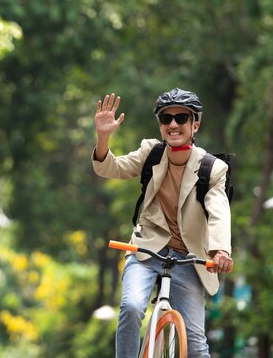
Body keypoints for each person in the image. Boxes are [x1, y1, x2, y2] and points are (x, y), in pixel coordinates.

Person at [92, 88, 234, 358]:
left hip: (189, 258)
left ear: (195, 124)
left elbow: (219, 210)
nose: (173, 124)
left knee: (196, 346)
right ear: (160, 124)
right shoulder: (151, 153)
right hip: (145, 251)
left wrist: (221, 250)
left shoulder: (212, 168)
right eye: (165, 118)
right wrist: (103, 137)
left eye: (181, 118)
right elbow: (110, 167)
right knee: (132, 307)